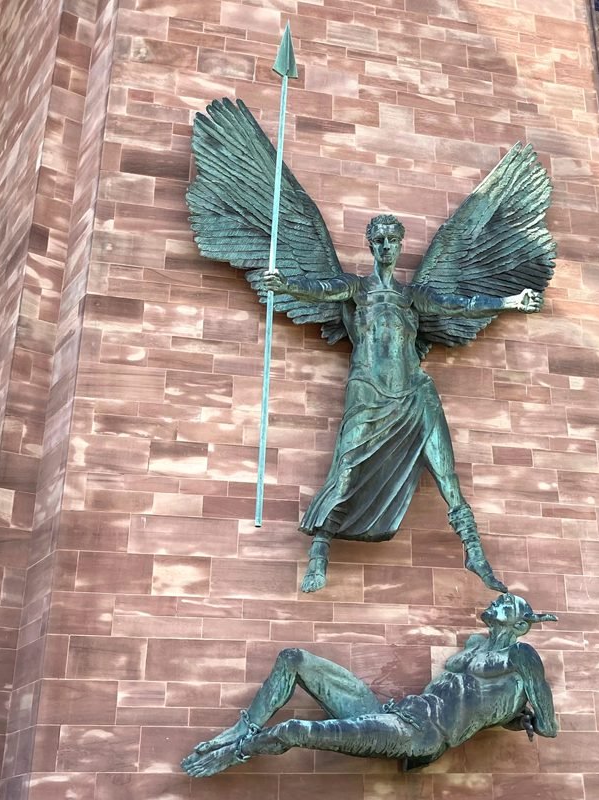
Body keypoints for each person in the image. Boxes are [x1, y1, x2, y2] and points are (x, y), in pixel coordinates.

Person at [259, 214, 543, 593]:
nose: (386, 246)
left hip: (415, 392)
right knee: (345, 469)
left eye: (393, 240)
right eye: (379, 240)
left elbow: (460, 304)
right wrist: (287, 285)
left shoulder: (412, 297)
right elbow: (321, 289)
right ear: (371, 244)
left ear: (400, 243)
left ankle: (475, 553)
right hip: (369, 392)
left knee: (446, 473)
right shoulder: (356, 289)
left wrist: (510, 301)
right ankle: (319, 553)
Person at [181, 593, 558, 776]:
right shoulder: (476, 645)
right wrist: (509, 716)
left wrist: (522, 716)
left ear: (521, 625)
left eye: (508, 603)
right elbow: (480, 705)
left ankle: (234, 753)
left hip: (420, 733)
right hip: (393, 712)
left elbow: (548, 725)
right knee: (293, 658)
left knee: (296, 729)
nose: (500, 599)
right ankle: (238, 731)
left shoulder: (522, 657)